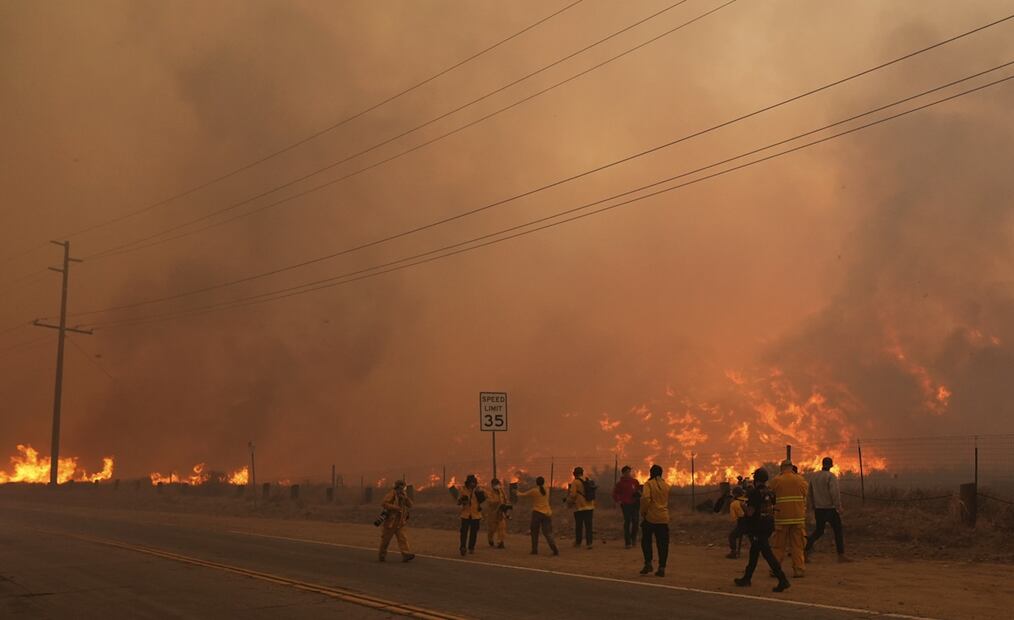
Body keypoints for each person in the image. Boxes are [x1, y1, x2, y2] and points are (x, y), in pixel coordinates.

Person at [734, 468, 790, 592]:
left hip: (758, 527)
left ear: (756, 479)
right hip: (768, 525)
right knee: (754, 552)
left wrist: (743, 506)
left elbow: (750, 513)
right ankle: (747, 578)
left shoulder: (755, 493)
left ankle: (782, 579)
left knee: (767, 553)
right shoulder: (769, 492)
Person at [806, 457, 851, 562]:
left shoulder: (814, 476)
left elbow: (810, 493)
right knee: (838, 530)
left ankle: (805, 549)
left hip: (819, 509)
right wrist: (838, 506)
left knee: (819, 531)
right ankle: (841, 555)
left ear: (822, 464)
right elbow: (834, 492)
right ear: (831, 465)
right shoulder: (831, 476)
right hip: (830, 509)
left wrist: (811, 506)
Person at [769, 460, 809, 578]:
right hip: (797, 518)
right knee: (797, 546)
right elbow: (805, 495)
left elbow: (770, 494)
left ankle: (775, 569)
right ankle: (799, 569)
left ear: (781, 468)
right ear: (792, 468)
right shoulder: (800, 480)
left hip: (782, 518)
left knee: (778, 546)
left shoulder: (777, 480)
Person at [638, 464, 670, 577]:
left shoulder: (648, 484)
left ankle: (648, 563)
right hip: (664, 518)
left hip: (651, 518)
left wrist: (643, 512)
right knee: (663, 544)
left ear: (651, 473)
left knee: (646, 541)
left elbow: (645, 498)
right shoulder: (666, 485)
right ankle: (662, 567)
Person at [518, 476, 559, 555]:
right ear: (543, 482)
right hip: (547, 513)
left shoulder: (534, 491)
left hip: (537, 513)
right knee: (548, 533)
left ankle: (534, 550)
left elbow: (523, 494)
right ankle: (554, 548)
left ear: (536, 483)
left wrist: (516, 492)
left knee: (534, 532)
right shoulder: (547, 489)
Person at [378, 480, 415, 563]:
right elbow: (384, 503)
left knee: (403, 539)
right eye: (401, 488)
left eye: (403, 488)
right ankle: (382, 555)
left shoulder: (404, 495)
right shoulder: (392, 494)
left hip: (400, 522)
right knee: (386, 540)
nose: (402, 489)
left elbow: (410, 505)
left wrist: (406, 498)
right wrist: (395, 508)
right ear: (397, 487)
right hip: (390, 522)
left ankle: (406, 554)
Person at [566, 467, 596, 549]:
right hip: (590, 507)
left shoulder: (575, 482)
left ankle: (578, 542)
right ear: (582, 473)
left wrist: (568, 502)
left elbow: (573, 495)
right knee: (589, 526)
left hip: (579, 507)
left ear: (574, 474)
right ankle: (589, 543)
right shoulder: (588, 480)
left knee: (579, 525)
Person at [612, 466, 641, 549]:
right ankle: (627, 542)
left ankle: (633, 539)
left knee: (635, 522)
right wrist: (619, 500)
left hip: (635, 504)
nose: (628, 474)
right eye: (627, 472)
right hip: (626, 505)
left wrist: (638, 494)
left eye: (629, 472)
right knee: (627, 522)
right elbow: (615, 493)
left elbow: (638, 490)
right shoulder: (620, 483)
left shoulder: (634, 481)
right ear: (623, 473)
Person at [457, 474, 484, 556]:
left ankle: (471, 547)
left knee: (474, 533)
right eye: (471, 482)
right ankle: (462, 547)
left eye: (474, 482)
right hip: (465, 514)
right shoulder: (463, 490)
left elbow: (483, 499)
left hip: (476, 515)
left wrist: (481, 495)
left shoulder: (478, 490)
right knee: (464, 532)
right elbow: (458, 502)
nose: (473, 484)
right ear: (468, 483)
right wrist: (462, 500)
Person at [486, 478, 509, 549]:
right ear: (492, 485)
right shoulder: (490, 492)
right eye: (495, 484)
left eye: (498, 484)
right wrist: (498, 503)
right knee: (492, 529)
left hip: (500, 513)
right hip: (493, 513)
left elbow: (505, 499)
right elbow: (490, 501)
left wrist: (506, 505)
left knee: (502, 528)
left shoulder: (501, 491)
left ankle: (500, 542)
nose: (497, 486)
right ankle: (490, 539)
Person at [726, 486, 747, 559]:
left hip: (743, 523)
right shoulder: (747, 500)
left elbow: (735, 518)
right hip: (754, 523)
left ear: (735, 494)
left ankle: (733, 552)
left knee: (732, 536)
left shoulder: (735, 503)